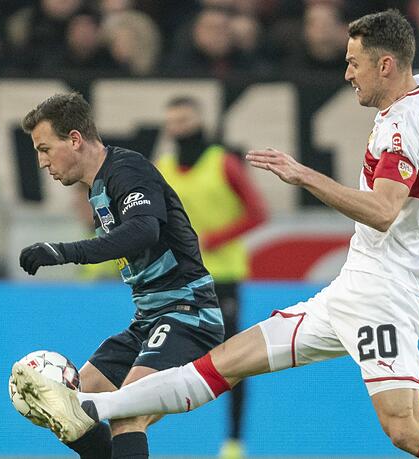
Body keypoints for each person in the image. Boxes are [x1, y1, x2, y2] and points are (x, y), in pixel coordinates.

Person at [13, 10, 419, 458]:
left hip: (383, 295)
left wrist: (304, 176)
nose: (347, 73)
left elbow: (383, 211)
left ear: (385, 65)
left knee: (405, 428)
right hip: (350, 287)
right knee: (225, 363)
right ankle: (90, 406)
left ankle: (88, 407)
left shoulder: (399, 130)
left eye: (354, 63)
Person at [15, 92, 225, 459]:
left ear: (75, 139)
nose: (42, 161)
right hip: (149, 320)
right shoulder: (100, 186)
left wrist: (64, 251)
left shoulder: (126, 169)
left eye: (45, 149)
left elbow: (144, 229)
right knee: (69, 409)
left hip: (188, 315)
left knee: (128, 412)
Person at [156, 96, 267, 459]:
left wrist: (214, 239)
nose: (179, 128)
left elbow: (258, 212)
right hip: (179, 277)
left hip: (222, 276)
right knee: (164, 353)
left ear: (199, 122)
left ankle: (234, 441)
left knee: (233, 358)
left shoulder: (223, 163)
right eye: (172, 122)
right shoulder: (164, 167)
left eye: (184, 120)